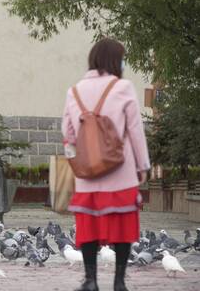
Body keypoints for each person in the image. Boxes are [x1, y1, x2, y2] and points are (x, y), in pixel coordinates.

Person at [61, 38, 150, 291]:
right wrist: (142, 165)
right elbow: (135, 131)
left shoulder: (74, 91)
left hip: (86, 173)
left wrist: (74, 162)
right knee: (122, 225)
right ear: (115, 60)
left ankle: (90, 280)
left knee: (88, 225)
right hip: (120, 170)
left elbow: (67, 132)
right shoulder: (123, 87)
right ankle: (119, 281)